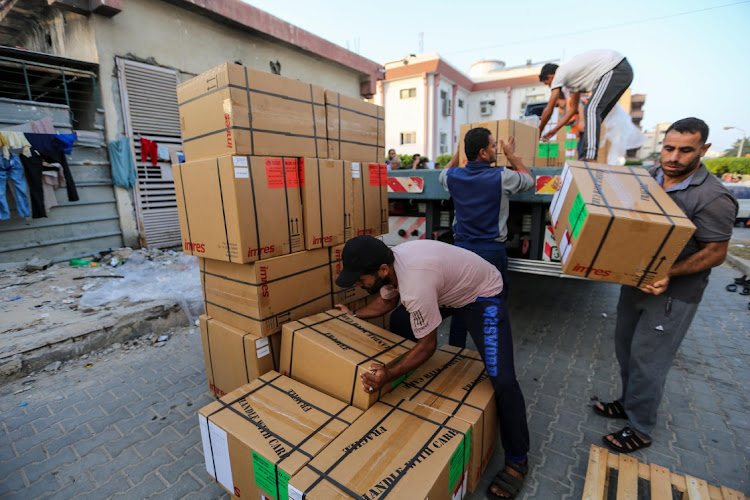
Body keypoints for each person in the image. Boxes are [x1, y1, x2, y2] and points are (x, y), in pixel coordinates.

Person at [334, 235, 530, 499]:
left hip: (482, 295)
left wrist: (389, 374)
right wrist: (353, 315)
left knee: (502, 379)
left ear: (382, 270)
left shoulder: (414, 284)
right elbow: (388, 301)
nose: (358, 285)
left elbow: (428, 346)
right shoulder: (392, 265)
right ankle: (408, 379)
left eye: (361, 279)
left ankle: (517, 459)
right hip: (445, 291)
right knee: (402, 321)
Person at [592, 118, 737, 453]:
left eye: (685, 150)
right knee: (625, 349)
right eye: (668, 148)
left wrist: (668, 272)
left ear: (704, 150)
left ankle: (640, 427)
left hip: (673, 294)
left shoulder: (713, 197)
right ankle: (628, 403)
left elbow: (716, 253)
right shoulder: (651, 177)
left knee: (648, 360)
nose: (673, 156)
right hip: (636, 281)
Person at [439, 128, 534, 348]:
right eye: (493, 146)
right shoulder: (501, 177)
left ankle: (454, 355)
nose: (496, 150)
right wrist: (511, 155)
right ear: (483, 153)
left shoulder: (453, 177)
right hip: (491, 252)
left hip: (461, 251)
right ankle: (495, 359)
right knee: (493, 309)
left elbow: (443, 173)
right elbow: (529, 180)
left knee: (459, 305)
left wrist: (456, 155)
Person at [538, 49, 633, 160]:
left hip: (615, 68)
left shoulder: (560, 73)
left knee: (591, 109)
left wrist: (538, 132)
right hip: (623, 71)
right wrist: (555, 130)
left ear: (550, 77)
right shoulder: (573, 81)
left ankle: (590, 157)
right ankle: (585, 157)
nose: (550, 86)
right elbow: (573, 109)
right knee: (595, 117)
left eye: (547, 83)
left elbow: (548, 110)